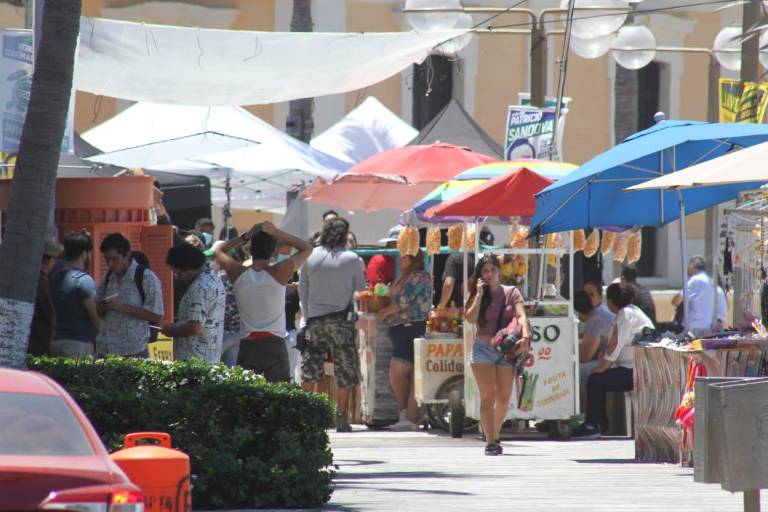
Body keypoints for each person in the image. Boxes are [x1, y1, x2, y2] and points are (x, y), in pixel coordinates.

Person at [215, 221, 312, 382]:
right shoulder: (280, 271)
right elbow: (307, 248)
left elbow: (218, 250)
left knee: (248, 399)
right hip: (275, 344)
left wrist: (245, 236)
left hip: (248, 344)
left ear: (250, 249)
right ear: (274, 251)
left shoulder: (238, 273)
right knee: (278, 397)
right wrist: (277, 232)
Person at [299, 217, 367, 432]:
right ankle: (341, 416)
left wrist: (309, 317)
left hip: (315, 320)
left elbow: (303, 291)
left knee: (311, 369)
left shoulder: (310, 257)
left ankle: (309, 415)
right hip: (341, 320)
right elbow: (361, 285)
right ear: (345, 234)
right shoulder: (351, 258)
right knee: (345, 369)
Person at [465, 254, 530, 456]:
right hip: (482, 348)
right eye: (485, 271)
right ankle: (491, 441)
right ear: (480, 275)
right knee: (487, 397)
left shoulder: (512, 293)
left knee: (503, 399)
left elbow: (521, 316)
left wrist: (526, 338)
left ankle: (495, 434)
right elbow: (470, 318)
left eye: (493, 270)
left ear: (499, 272)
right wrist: (478, 294)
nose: (490, 274)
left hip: (505, 350)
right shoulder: (478, 294)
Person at [573, 283, 653, 439]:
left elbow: (615, 345)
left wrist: (604, 366)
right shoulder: (633, 311)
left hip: (633, 370)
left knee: (595, 380)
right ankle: (599, 422)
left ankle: (592, 425)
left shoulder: (625, 315)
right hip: (634, 367)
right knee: (597, 379)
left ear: (610, 301)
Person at [376, 250, 433, 431]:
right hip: (400, 329)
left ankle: (409, 415)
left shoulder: (418, 277)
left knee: (398, 371)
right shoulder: (405, 277)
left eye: (404, 256)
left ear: (414, 259)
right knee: (405, 373)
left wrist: (385, 312)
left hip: (411, 327)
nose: (400, 260)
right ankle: (407, 415)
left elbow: (403, 301)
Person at [96, 233, 164, 357]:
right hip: (106, 349)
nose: (110, 264)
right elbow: (98, 308)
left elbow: (156, 315)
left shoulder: (146, 277)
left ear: (127, 255)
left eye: (115, 259)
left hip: (134, 350)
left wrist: (120, 307)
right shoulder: (107, 278)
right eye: (107, 260)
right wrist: (102, 307)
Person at [162, 243, 225, 363]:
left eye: (178, 273)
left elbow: (195, 327)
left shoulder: (199, 288)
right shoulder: (213, 278)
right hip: (209, 358)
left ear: (189, 268)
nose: (178, 277)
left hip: (194, 362)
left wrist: (172, 330)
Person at [49, 230, 101, 357]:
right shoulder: (84, 280)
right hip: (79, 343)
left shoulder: (53, 278)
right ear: (84, 254)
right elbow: (94, 315)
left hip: (55, 340)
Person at [438, 228, 494, 308]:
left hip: (456, 308)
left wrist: (441, 306)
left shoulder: (454, 258)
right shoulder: (483, 258)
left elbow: (448, 283)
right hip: (478, 306)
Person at [28, 241, 62, 356]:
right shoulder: (41, 280)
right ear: (51, 261)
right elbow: (50, 313)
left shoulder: (33, 278)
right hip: (38, 342)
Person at [671, 256, 717, 335]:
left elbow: (676, 301)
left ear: (691, 267)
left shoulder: (695, 280)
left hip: (692, 328)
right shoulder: (710, 281)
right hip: (706, 326)